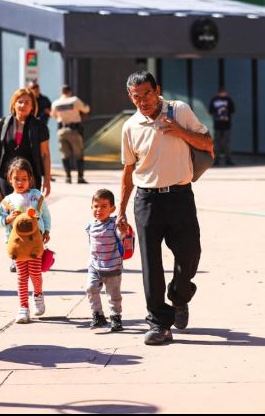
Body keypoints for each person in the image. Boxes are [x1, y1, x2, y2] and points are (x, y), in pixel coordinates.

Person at [118, 70, 213, 346]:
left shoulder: (178, 110)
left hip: (180, 196)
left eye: (147, 94)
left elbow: (207, 143)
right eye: (136, 97)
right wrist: (121, 212)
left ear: (157, 89)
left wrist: (179, 131)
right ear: (130, 97)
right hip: (146, 200)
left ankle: (180, 296)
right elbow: (127, 172)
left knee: (190, 256)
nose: (143, 101)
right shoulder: (130, 127)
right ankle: (159, 323)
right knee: (151, 264)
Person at [0, 158, 51, 323]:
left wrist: (47, 230)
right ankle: (23, 308)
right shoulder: (8, 201)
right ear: (9, 179)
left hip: (35, 244)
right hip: (18, 247)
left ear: (30, 179)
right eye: (16, 179)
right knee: (21, 276)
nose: (20, 182)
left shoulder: (36, 196)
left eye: (24, 179)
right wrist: (7, 219)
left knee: (35, 273)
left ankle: (38, 295)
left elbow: (46, 215)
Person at [0, 88, 52, 198]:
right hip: (7, 177)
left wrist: (47, 180)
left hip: (31, 178)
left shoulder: (39, 126)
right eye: (20, 102)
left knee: (28, 213)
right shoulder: (2, 124)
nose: (23, 105)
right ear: (14, 105)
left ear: (32, 107)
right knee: (10, 211)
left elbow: (45, 154)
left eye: (27, 103)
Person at [85, 188, 125, 332]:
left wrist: (123, 229)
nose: (99, 210)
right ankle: (98, 315)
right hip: (95, 266)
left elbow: (121, 234)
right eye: (96, 206)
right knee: (90, 288)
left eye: (104, 206)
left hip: (112, 266)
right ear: (91, 207)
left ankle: (115, 318)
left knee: (113, 295)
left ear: (112, 209)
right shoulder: (90, 226)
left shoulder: (114, 225)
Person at [51, 85, 90, 184]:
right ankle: (80, 178)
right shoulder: (74, 100)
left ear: (62, 92)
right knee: (78, 154)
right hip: (74, 130)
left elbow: (54, 115)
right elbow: (86, 109)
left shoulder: (56, 103)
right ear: (69, 92)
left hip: (62, 131)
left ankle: (68, 177)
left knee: (64, 155)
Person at [208, 87, 236, 166]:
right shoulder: (214, 100)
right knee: (217, 143)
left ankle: (228, 159)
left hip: (226, 125)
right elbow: (211, 110)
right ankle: (216, 160)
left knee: (226, 143)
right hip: (218, 125)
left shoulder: (228, 100)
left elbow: (233, 110)